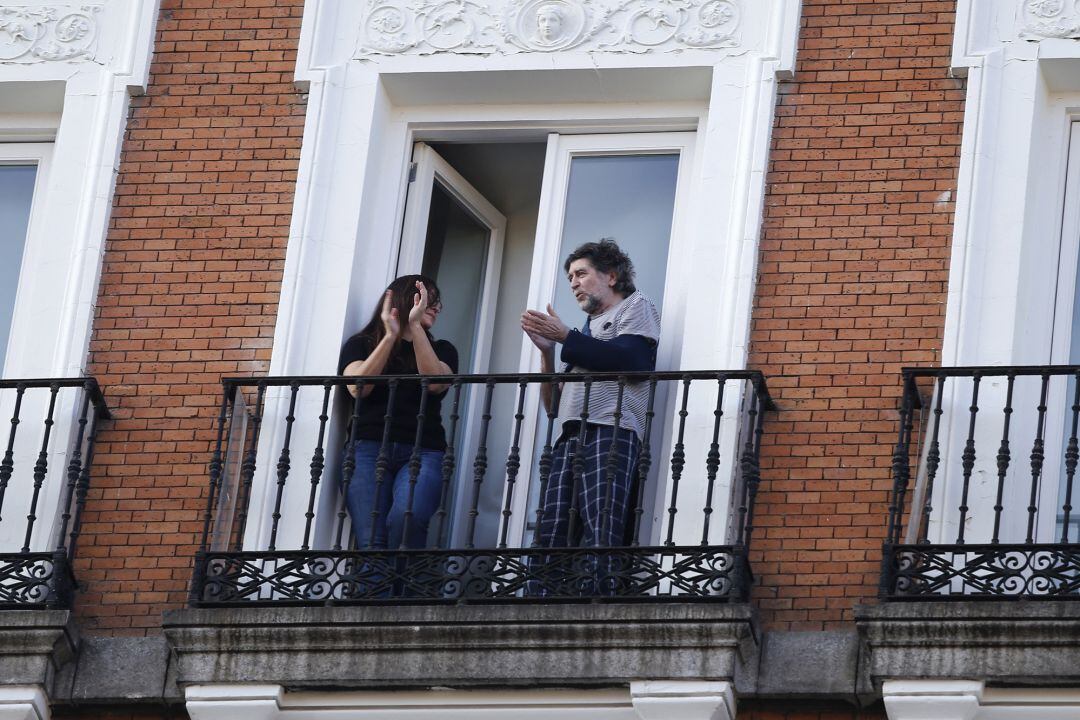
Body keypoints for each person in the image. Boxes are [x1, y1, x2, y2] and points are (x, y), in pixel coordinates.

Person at [521, 239, 660, 566]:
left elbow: (634, 361)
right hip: (569, 436)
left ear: (611, 276)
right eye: (570, 278)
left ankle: (600, 601)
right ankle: (543, 608)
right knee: (551, 533)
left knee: (601, 527)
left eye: (581, 274)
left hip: (610, 432)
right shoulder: (585, 331)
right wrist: (547, 352)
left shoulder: (635, 305)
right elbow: (554, 406)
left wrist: (566, 337)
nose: (573, 284)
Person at [338, 275, 458, 552]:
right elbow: (358, 388)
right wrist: (390, 336)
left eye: (437, 301)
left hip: (424, 451)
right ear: (404, 299)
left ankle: (404, 592)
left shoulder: (443, 350)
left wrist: (414, 327)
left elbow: (435, 382)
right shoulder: (361, 345)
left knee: (409, 518)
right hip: (366, 449)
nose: (437, 306)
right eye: (429, 298)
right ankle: (380, 596)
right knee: (371, 541)